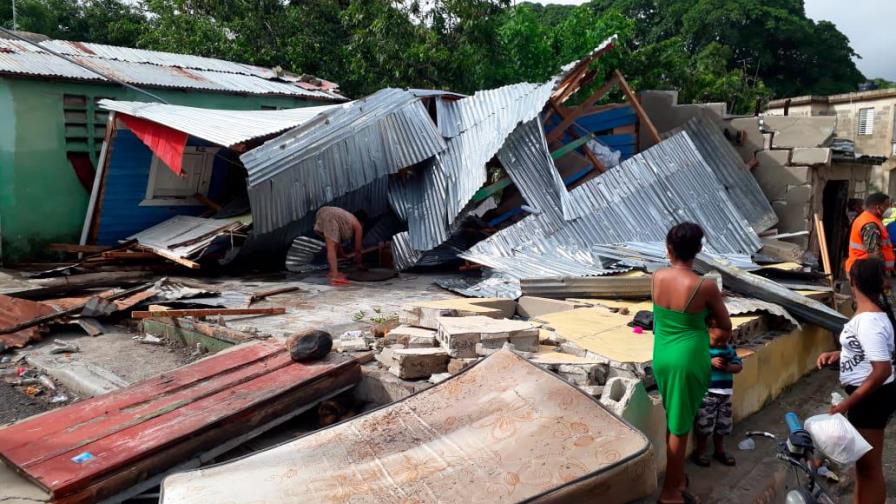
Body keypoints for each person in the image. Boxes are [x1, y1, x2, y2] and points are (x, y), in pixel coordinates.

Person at [652, 222, 732, 504]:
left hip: (662, 356)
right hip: (688, 360)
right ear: (698, 250)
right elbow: (725, 327)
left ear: (669, 249)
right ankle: (670, 493)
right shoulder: (704, 286)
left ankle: (677, 479)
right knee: (681, 425)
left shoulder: (657, 277)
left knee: (675, 420)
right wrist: (708, 327)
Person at [817, 258, 896, 504]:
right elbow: (873, 352)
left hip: (871, 398)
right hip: (873, 396)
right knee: (863, 467)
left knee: (869, 468)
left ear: (853, 282)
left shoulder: (869, 321)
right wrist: (840, 354)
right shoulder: (872, 315)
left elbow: (881, 369)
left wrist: (848, 402)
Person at [691, 322, 742, 468]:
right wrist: (710, 362)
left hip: (725, 396)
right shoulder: (703, 349)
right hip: (708, 394)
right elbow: (694, 364)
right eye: (717, 340)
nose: (720, 344)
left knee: (723, 425)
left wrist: (729, 367)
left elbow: (738, 366)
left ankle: (719, 450)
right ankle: (700, 452)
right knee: (704, 425)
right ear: (707, 333)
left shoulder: (728, 350)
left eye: (724, 341)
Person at [845, 192, 894, 277]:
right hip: (866, 272)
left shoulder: (870, 219)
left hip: (862, 268)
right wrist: (882, 277)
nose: (889, 209)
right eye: (886, 206)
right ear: (878, 207)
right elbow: (874, 254)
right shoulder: (870, 224)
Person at [313, 206, 364, 284]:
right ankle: (334, 275)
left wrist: (342, 254)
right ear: (362, 222)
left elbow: (337, 240)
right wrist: (359, 264)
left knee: (332, 243)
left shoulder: (345, 218)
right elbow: (358, 249)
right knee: (331, 247)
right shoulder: (358, 225)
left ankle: (332, 272)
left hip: (322, 212)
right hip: (330, 217)